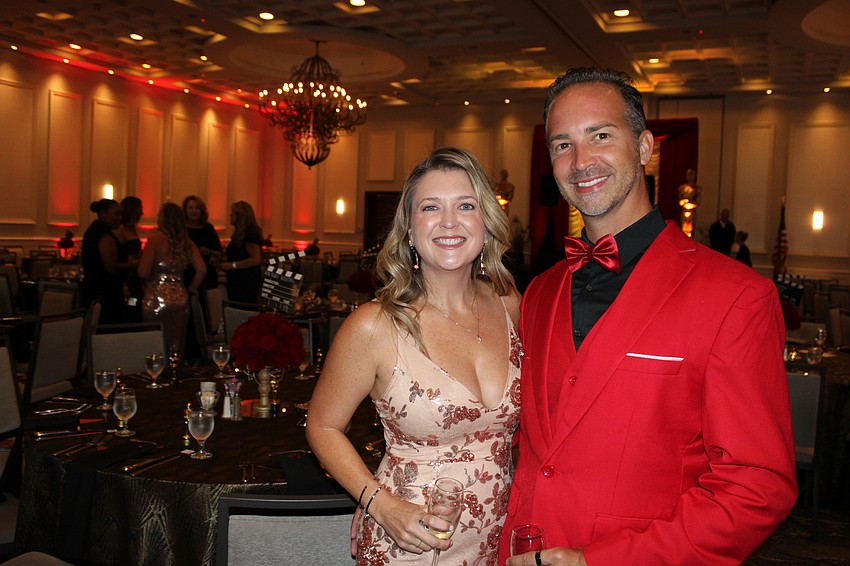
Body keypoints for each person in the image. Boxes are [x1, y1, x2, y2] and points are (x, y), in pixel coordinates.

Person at [501, 68, 796, 566]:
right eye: (561, 145)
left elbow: (756, 486)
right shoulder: (539, 291)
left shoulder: (737, 295)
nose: (580, 161)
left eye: (600, 135)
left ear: (643, 147)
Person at [306, 147, 522, 564]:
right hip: (411, 540)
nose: (448, 221)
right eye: (430, 207)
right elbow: (323, 425)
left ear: (485, 223)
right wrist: (378, 504)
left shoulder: (508, 302)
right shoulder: (375, 325)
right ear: (408, 228)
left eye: (465, 205)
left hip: (498, 535)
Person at [137, 202, 206, 363]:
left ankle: (156, 376)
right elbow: (202, 270)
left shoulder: (154, 241)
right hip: (180, 297)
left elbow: (142, 272)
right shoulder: (187, 243)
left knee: (154, 342)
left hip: (155, 297)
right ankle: (174, 376)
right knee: (177, 343)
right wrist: (189, 290)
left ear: (163, 220)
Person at [81, 199, 137, 323]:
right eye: (116, 214)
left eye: (121, 215)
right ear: (103, 214)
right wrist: (131, 264)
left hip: (95, 289)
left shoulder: (94, 230)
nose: (119, 218)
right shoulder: (104, 235)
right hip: (106, 292)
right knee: (108, 325)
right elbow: (111, 267)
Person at [221, 201, 263, 304]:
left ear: (240, 216)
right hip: (237, 280)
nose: (230, 215)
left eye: (233, 213)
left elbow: (255, 260)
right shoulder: (239, 235)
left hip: (246, 282)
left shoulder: (250, 234)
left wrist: (232, 265)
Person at [115, 196, 144, 322]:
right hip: (126, 277)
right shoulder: (121, 229)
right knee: (130, 305)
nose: (142, 213)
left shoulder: (132, 229)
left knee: (136, 303)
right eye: (140, 210)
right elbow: (119, 254)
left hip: (134, 276)